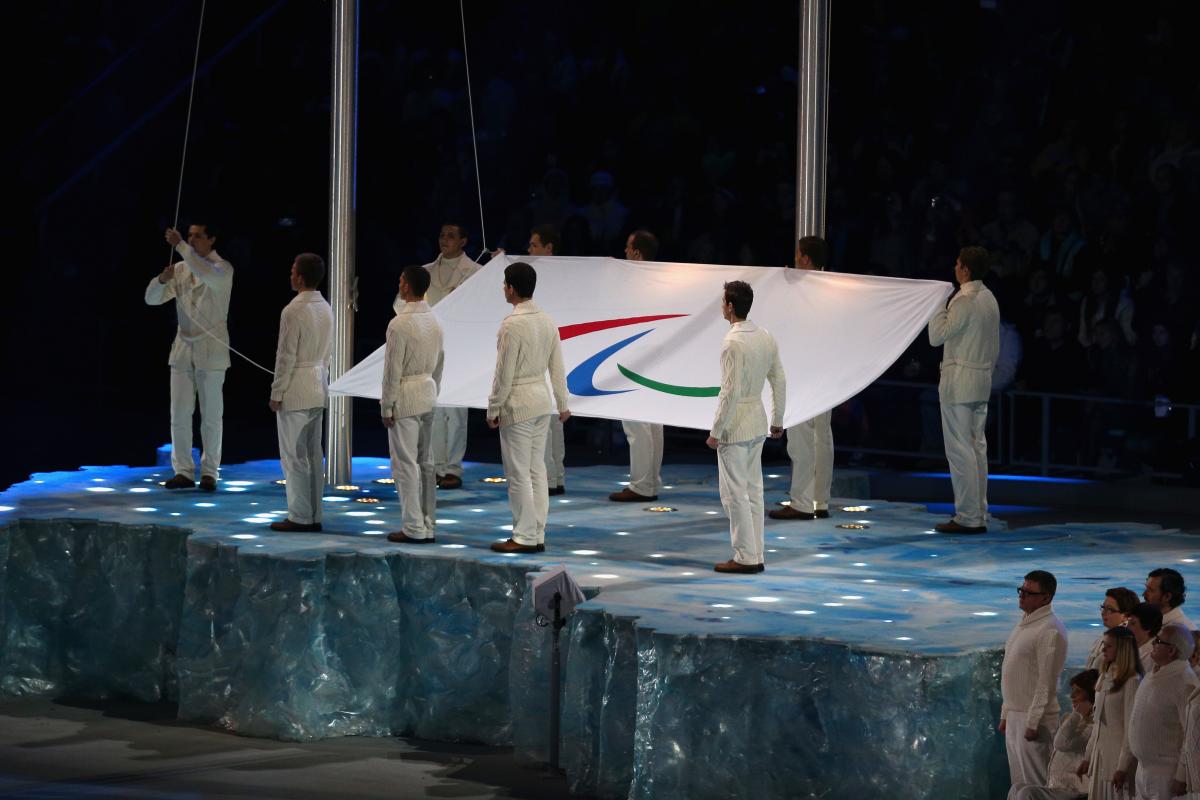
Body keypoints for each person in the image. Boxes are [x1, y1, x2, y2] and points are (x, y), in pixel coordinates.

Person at [487, 262, 571, 553]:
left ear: (510, 288)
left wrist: (494, 407)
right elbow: (557, 367)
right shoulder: (547, 321)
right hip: (541, 401)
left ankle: (523, 535)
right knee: (537, 471)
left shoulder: (512, 325)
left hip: (519, 403)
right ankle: (536, 533)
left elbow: (503, 373)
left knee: (519, 473)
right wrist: (562, 402)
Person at [144, 223, 234, 491]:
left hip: (211, 349)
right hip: (183, 348)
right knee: (179, 414)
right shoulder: (182, 269)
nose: (192, 240)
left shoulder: (223, 269)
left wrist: (180, 245)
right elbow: (151, 299)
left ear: (211, 239)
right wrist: (161, 280)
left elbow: (204, 272)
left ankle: (209, 472)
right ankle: (183, 471)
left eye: (197, 236)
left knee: (211, 416)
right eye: (190, 235)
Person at [706, 281, 786, 574]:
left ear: (729, 306)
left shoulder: (732, 343)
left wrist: (716, 430)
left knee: (735, 494)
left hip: (736, 425)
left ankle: (745, 556)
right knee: (753, 491)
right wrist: (778, 419)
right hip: (758, 421)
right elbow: (779, 379)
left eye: (723, 301)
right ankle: (755, 553)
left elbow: (730, 392)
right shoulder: (764, 336)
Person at [928, 246, 1001, 534]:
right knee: (976, 448)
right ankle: (977, 511)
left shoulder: (965, 300)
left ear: (966, 269)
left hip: (960, 383)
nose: (954, 267)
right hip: (981, 380)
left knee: (962, 451)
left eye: (958, 263)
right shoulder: (989, 298)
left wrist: (936, 304)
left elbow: (936, 336)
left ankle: (969, 516)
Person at [770, 236, 834, 522]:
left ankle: (803, 502)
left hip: (805, 371)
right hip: (827, 373)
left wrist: (786, 286)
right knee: (822, 437)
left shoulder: (803, 289)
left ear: (805, 258)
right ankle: (819, 499)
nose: (795, 259)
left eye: (798, 256)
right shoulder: (833, 287)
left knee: (801, 439)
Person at [268, 254, 333, 533]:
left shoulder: (293, 310)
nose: (290, 275)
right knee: (312, 454)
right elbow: (328, 353)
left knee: (294, 455)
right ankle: (313, 513)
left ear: (301, 277)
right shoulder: (326, 307)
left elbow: (286, 357)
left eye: (293, 271)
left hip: (297, 386)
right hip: (318, 382)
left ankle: (300, 515)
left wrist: (277, 390)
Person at [381, 265, 444, 544]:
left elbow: (392, 370)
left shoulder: (399, 323)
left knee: (406, 464)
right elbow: (440, 363)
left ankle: (413, 527)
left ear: (406, 286)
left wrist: (386, 405)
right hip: (428, 392)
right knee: (425, 463)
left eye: (400, 280)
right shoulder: (435, 320)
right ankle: (427, 524)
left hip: (406, 395)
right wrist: (434, 391)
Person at [1001, 570, 1070, 789]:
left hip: (1033, 719)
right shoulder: (1026, 624)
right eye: (1021, 590)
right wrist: (1006, 712)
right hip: (1016, 714)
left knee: (1035, 783)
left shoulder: (1050, 629)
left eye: (1028, 592)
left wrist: (1033, 722)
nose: (1021, 595)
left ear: (1045, 597)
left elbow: (1047, 681)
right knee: (1018, 782)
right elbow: (1012, 673)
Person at [423, 223, 479, 490]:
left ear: (464, 241)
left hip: (459, 348)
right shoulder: (426, 272)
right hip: (432, 345)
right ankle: (435, 465)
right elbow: (401, 303)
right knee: (433, 408)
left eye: (451, 236)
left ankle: (453, 467)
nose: (445, 239)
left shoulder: (476, 273)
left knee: (455, 411)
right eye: (442, 235)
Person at [610, 230, 665, 503]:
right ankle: (650, 481)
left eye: (627, 248)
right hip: (655, 355)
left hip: (637, 358)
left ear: (637, 253)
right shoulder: (659, 279)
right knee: (652, 423)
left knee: (639, 425)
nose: (624, 251)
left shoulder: (636, 282)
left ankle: (643, 485)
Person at [1127, 623, 1198, 800]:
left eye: (1158, 641)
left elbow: (1191, 734)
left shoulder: (1184, 682)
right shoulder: (1154, 673)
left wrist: (1181, 775)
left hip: (1166, 774)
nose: (1152, 643)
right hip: (1143, 769)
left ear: (1172, 651)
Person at [526, 224, 569, 496]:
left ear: (548, 248)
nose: (529, 250)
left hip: (553, 345)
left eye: (534, 245)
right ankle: (553, 476)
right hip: (545, 344)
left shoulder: (562, 274)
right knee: (551, 417)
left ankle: (552, 475)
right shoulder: (537, 275)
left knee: (551, 418)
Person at [1010, 669, 1098, 800]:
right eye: (1072, 691)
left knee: (1027, 793)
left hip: (1075, 791)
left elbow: (1060, 743)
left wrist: (1078, 714)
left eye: (1078, 691)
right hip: (1056, 788)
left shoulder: (1093, 727)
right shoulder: (1073, 721)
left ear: (1090, 696)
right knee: (1016, 788)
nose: (1072, 696)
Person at [1080, 626, 1143, 800]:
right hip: (1100, 758)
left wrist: (1122, 766)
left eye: (1108, 646)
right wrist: (1088, 756)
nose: (1103, 650)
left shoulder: (1132, 681)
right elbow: (1098, 723)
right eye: (1103, 645)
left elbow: (1131, 729)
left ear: (1122, 649)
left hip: (1117, 760)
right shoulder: (1105, 676)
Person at [1087, 587, 1141, 670]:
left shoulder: (1123, 643)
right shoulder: (1104, 638)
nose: (1103, 612)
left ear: (1125, 615)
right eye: (1103, 607)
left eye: (1109, 609)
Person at [1129, 602, 1165, 668]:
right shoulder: (1130, 646)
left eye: (1133, 624)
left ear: (1147, 628)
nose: (1127, 627)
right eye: (1128, 622)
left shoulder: (1152, 657)